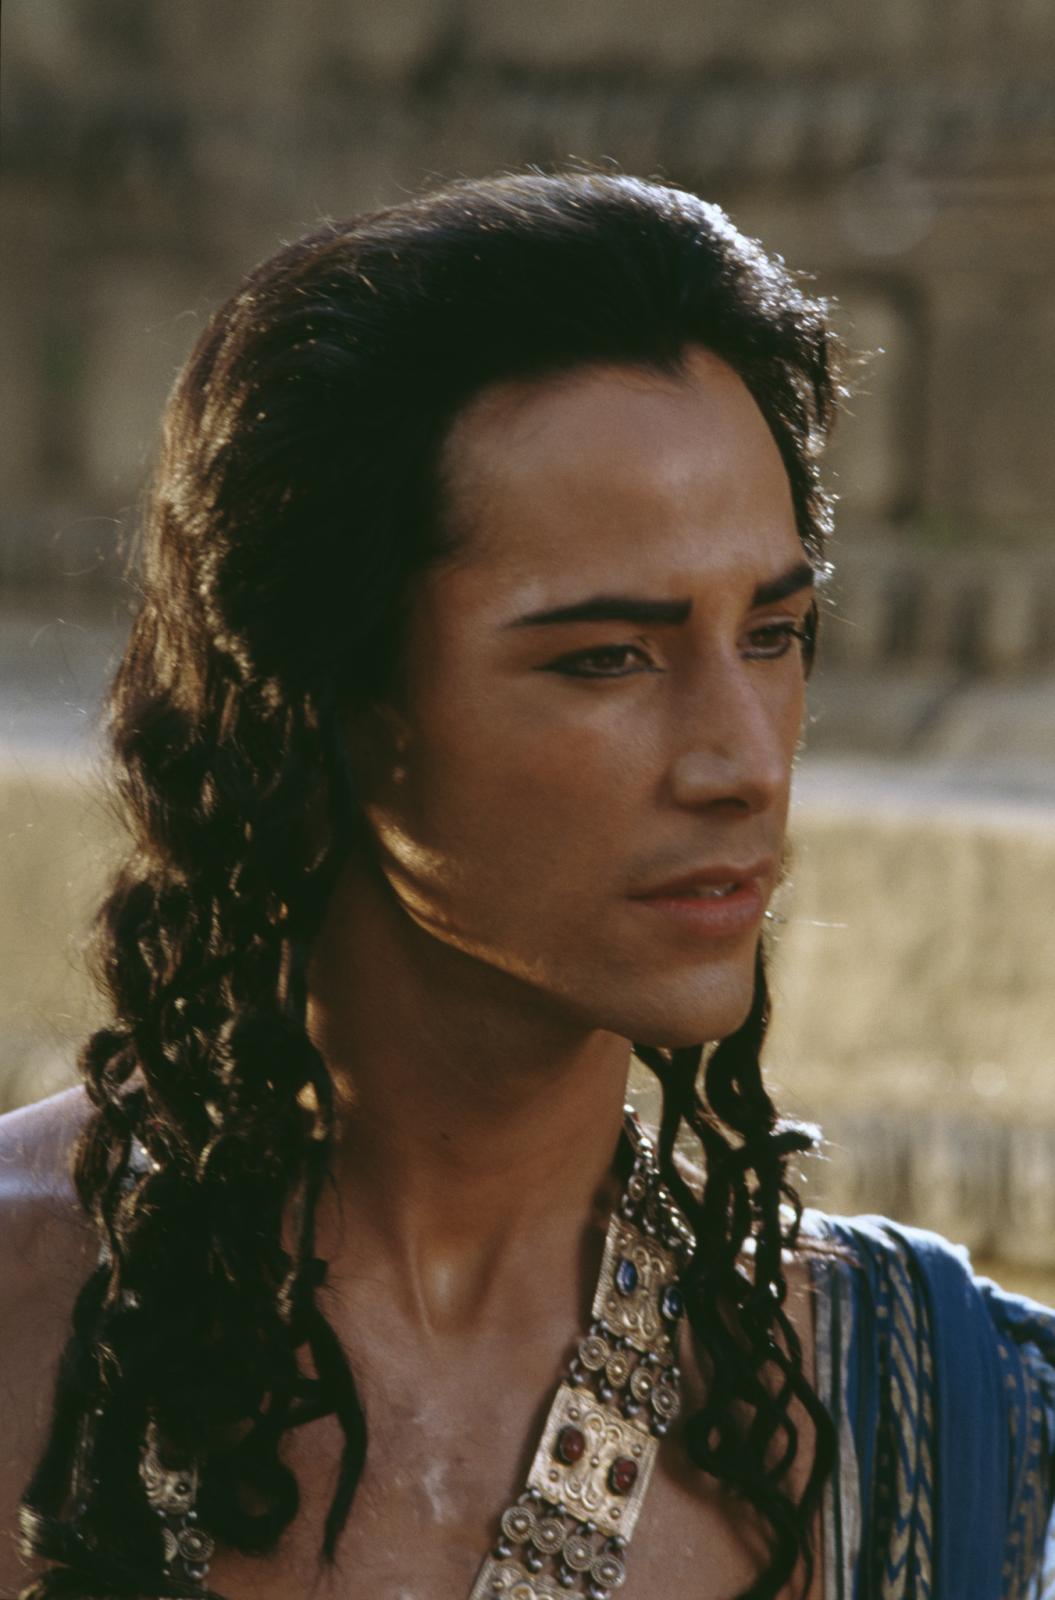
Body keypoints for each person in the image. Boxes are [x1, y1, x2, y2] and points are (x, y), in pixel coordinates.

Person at [0, 171, 1051, 1600]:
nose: (743, 764)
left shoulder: (942, 1419)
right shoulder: (25, 1306)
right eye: (607, 658)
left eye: (774, 634)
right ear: (331, 699)